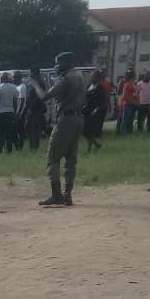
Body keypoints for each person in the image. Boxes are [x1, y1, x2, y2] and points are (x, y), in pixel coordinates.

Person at [30, 51, 86, 206]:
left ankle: (56, 195)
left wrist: (35, 85)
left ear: (68, 62)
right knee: (71, 158)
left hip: (66, 119)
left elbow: (44, 96)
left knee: (53, 157)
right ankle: (67, 195)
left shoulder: (66, 78)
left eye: (59, 62)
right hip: (78, 118)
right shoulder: (80, 76)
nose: (56, 66)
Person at [0, 73, 18, 153]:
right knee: (9, 133)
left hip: (1, 113)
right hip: (10, 112)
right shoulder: (14, 88)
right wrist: (15, 112)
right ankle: (9, 150)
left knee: (0, 133)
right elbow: (15, 102)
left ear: (1, 79)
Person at [83, 71, 107, 153]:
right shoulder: (89, 86)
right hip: (86, 110)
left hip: (94, 111)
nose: (91, 78)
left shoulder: (100, 87)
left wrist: (96, 110)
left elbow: (102, 101)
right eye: (91, 76)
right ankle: (96, 144)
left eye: (93, 77)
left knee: (89, 130)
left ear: (98, 78)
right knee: (84, 130)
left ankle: (89, 149)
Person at [26, 68, 47, 150]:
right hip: (36, 109)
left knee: (33, 129)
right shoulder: (37, 82)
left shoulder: (38, 83)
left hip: (35, 110)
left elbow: (36, 98)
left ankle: (34, 146)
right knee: (33, 129)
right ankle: (34, 146)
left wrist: (30, 108)